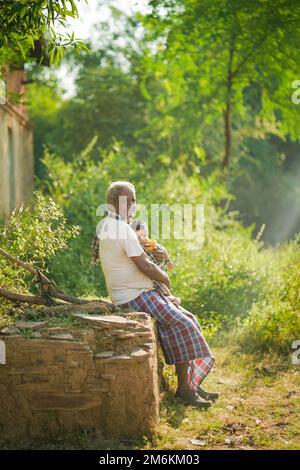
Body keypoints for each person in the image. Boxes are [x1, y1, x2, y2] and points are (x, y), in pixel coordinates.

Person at [95, 181, 218, 407]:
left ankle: (191, 383)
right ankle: (184, 391)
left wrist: (157, 257)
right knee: (184, 324)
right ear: (112, 203)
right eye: (127, 200)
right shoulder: (120, 228)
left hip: (139, 292)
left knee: (190, 319)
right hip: (134, 296)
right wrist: (165, 277)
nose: (132, 205)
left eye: (134, 200)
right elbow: (145, 266)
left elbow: (139, 257)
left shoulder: (111, 225)